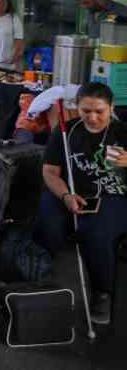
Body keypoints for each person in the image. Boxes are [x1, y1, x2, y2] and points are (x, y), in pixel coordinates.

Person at [34, 82, 127, 325]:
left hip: (112, 195)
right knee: (49, 223)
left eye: (100, 111)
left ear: (111, 108)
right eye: (86, 111)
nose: (93, 117)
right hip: (69, 190)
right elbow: (50, 172)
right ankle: (37, 275)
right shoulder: (66, 131)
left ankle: (102, 292)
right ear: (77, 107)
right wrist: (65, 196)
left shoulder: (123, 132)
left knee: (96, 232)